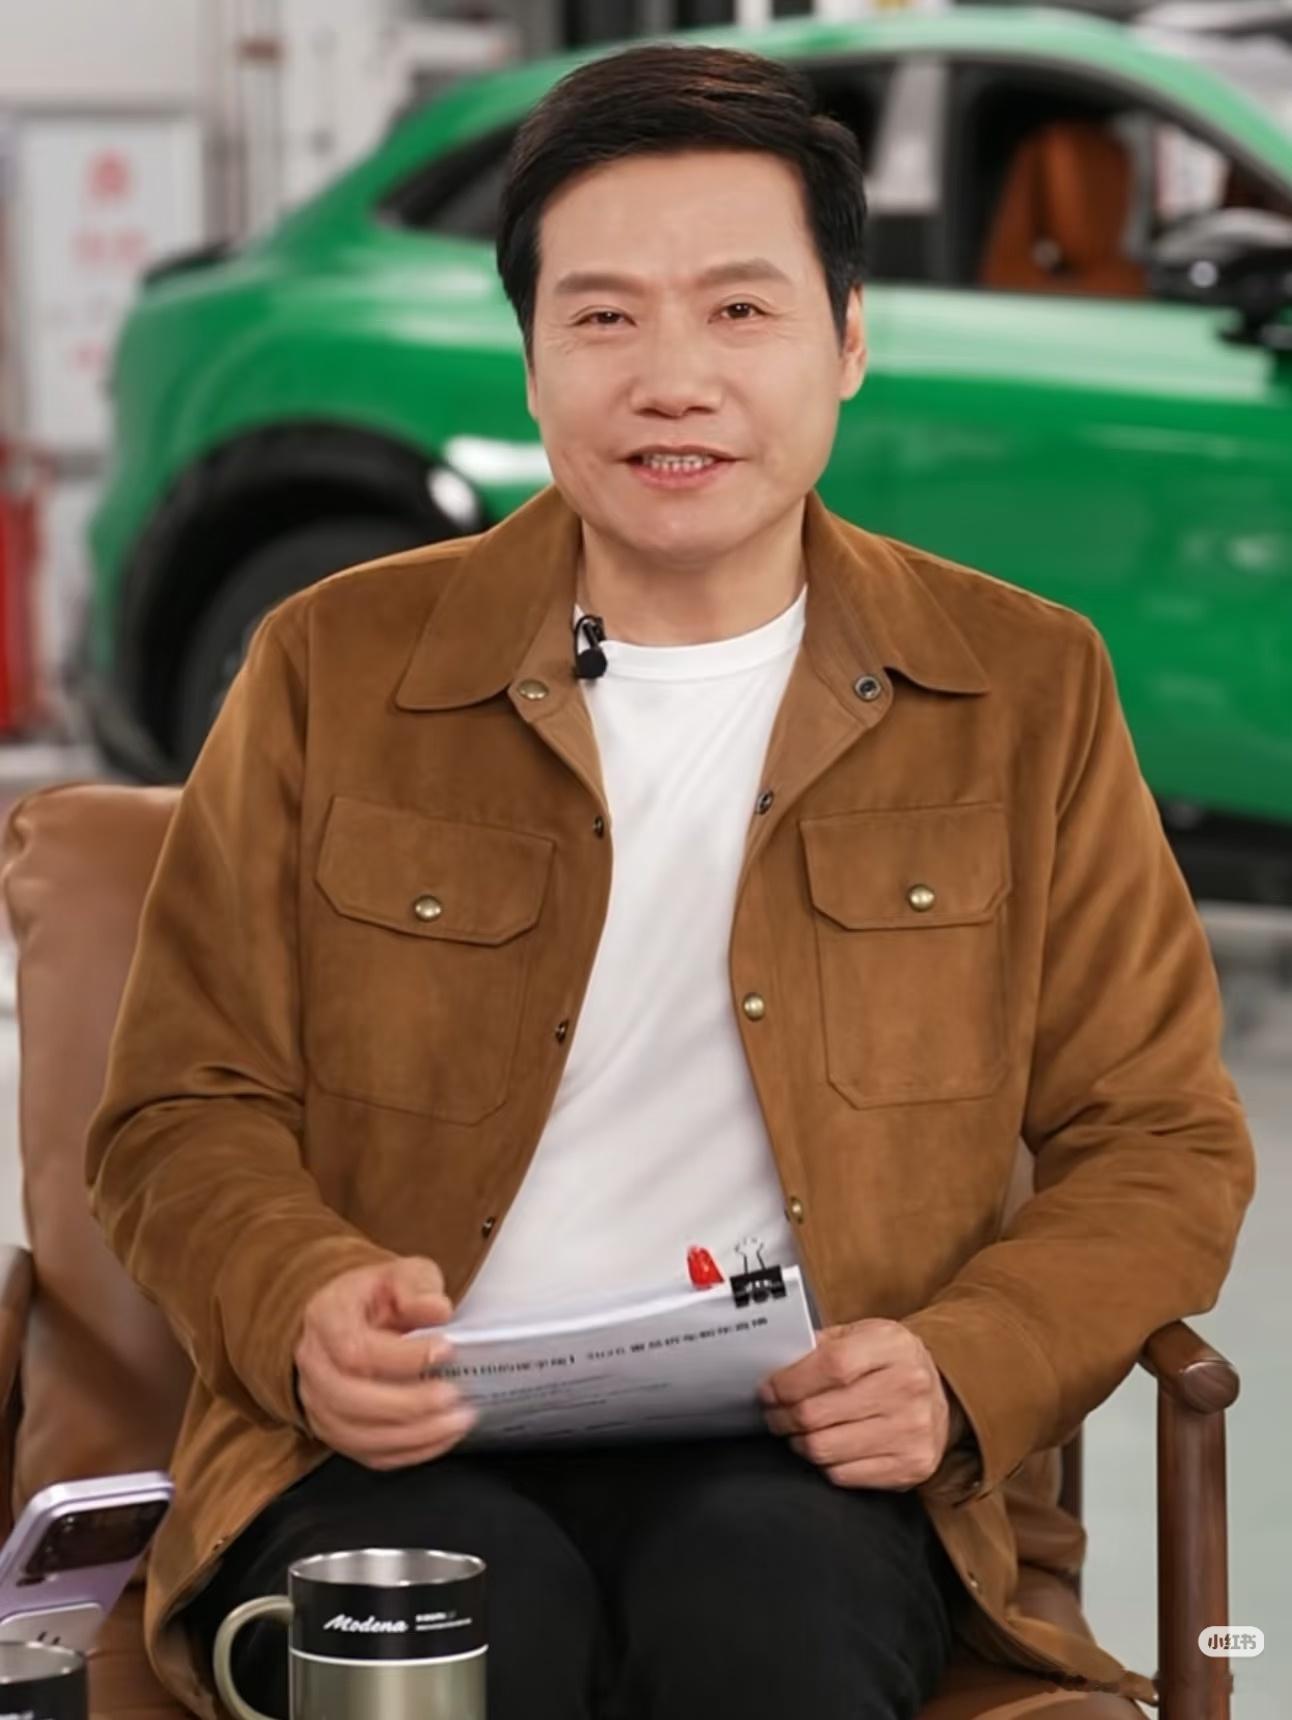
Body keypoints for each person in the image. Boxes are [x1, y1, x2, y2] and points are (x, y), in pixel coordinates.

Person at [87, 42, 1255, 1720]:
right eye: (605, 317)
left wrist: (962, 1362)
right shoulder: (333, 666)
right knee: (472, 1643)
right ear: (532, 357)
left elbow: (1160, 1140)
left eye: (740, 310)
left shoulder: (1022, 688)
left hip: (811, 1459)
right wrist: (299, 1304)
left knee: (763, 1634)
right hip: (391, 1448)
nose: (674, 379)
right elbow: (179, 1107)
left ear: (848, 340)